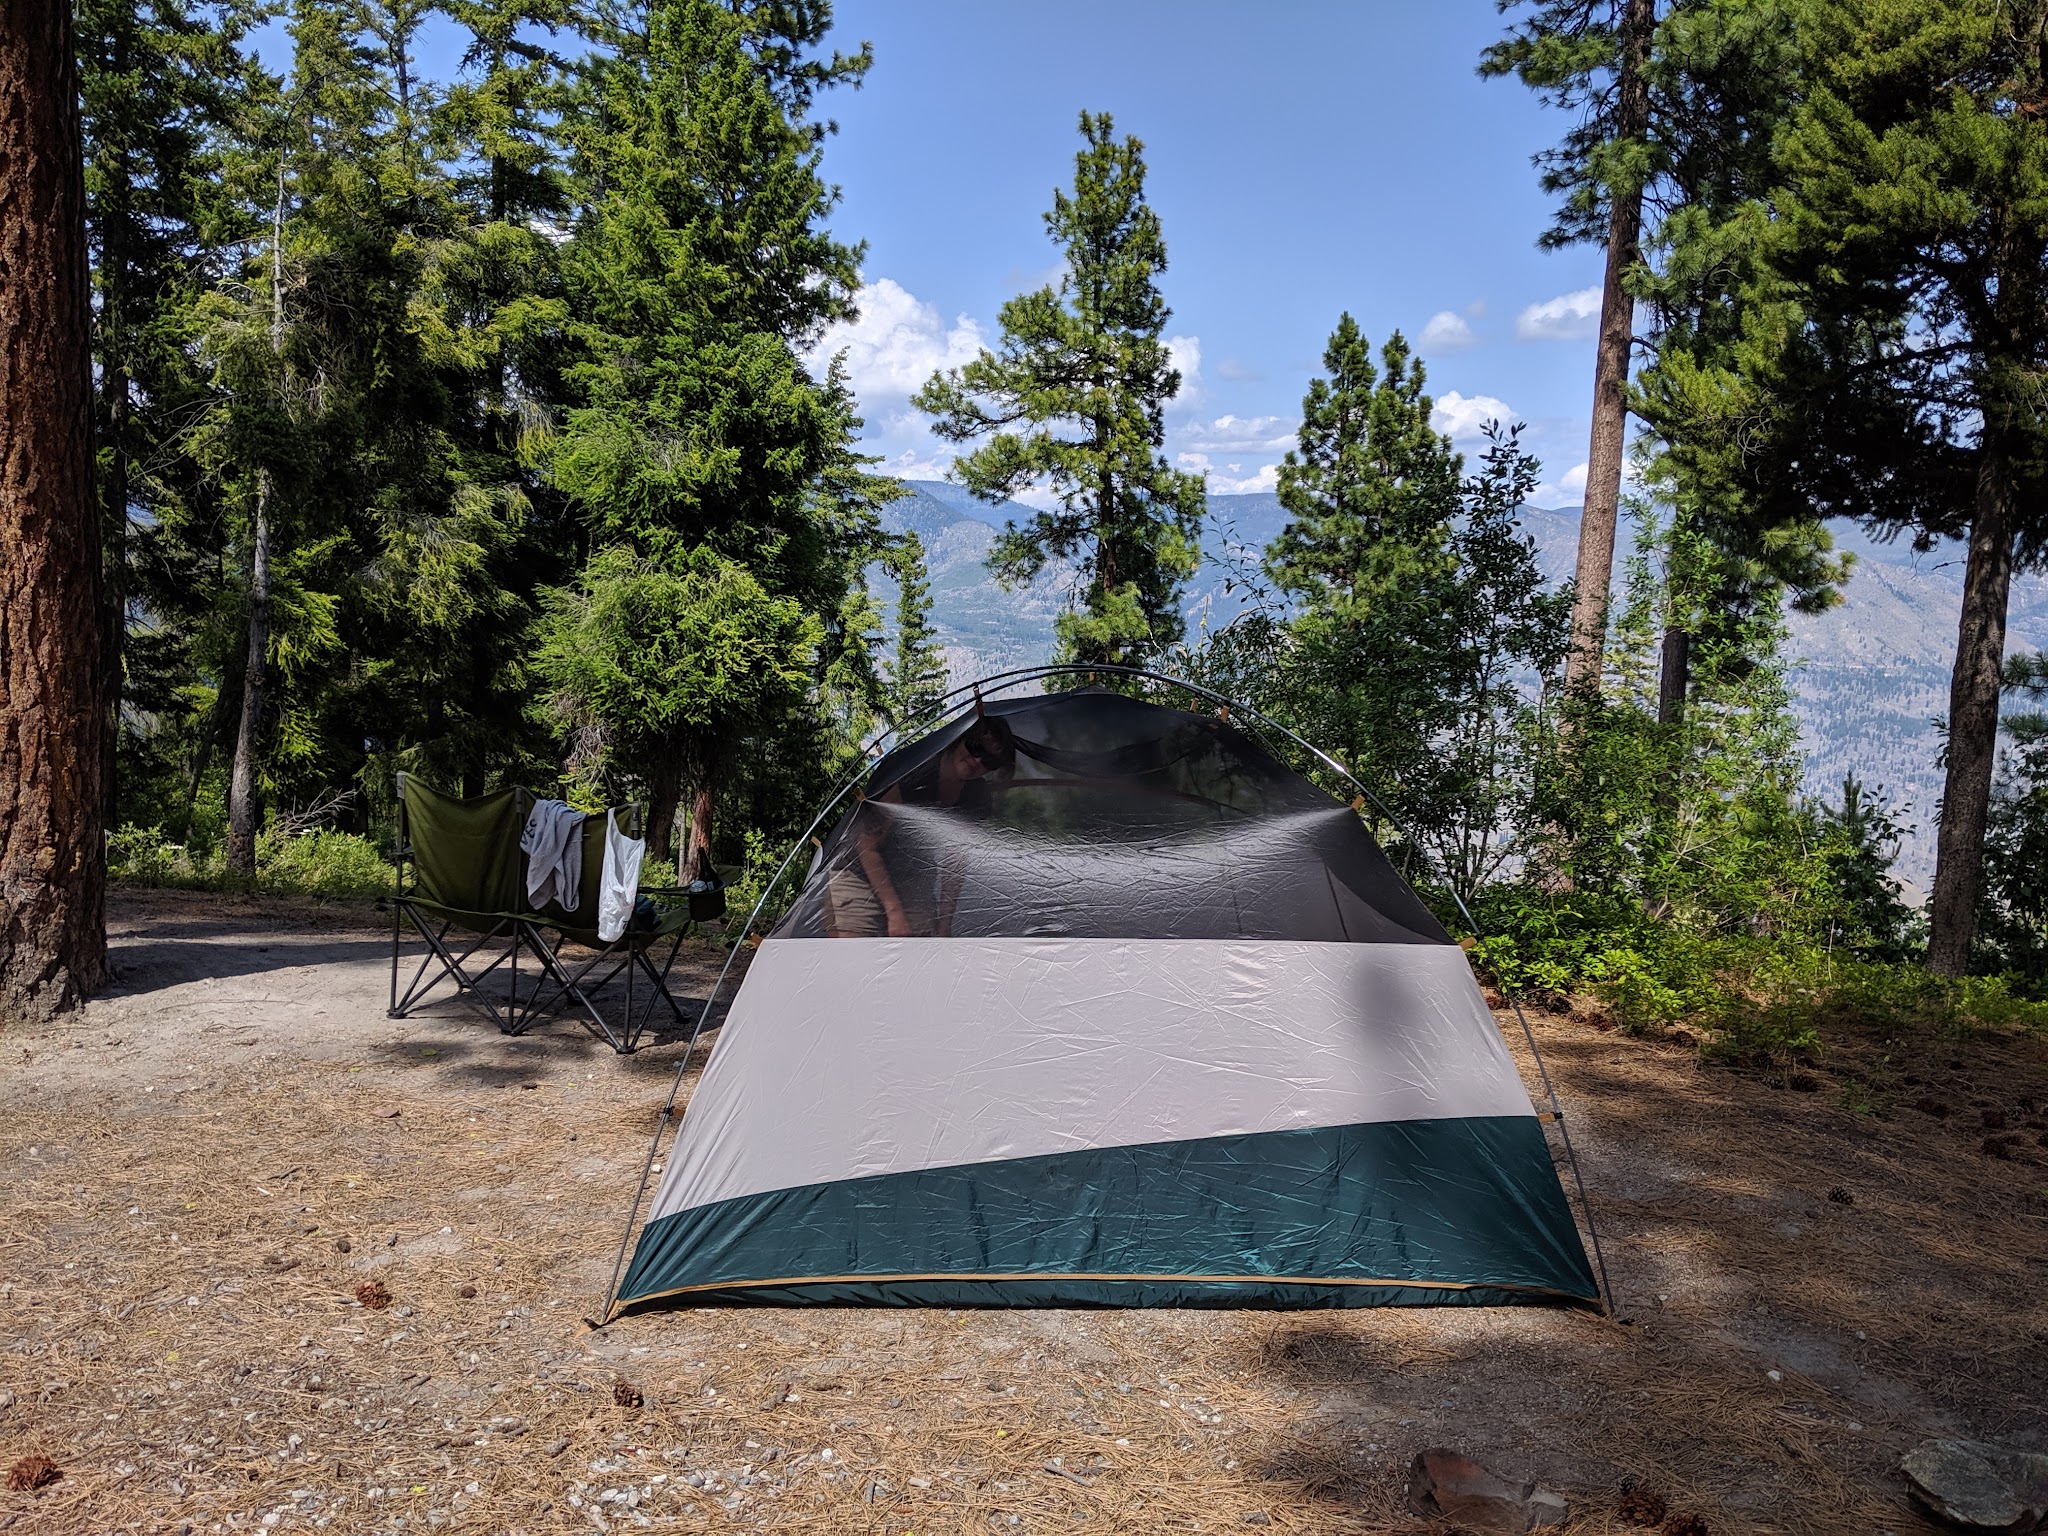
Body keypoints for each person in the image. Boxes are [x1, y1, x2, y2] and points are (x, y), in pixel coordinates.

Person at [824, 715, 1016, 937]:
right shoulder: (916, 773)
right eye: (975, 747)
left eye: (990, 762)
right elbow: (866, 844)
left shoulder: (977, 797)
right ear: (959, 738)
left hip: (912, 882)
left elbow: (955, 864)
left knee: (919, 959)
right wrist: (894, 912)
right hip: (859, 874)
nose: (977, 761)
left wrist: (944, 925)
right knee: (853, 959)